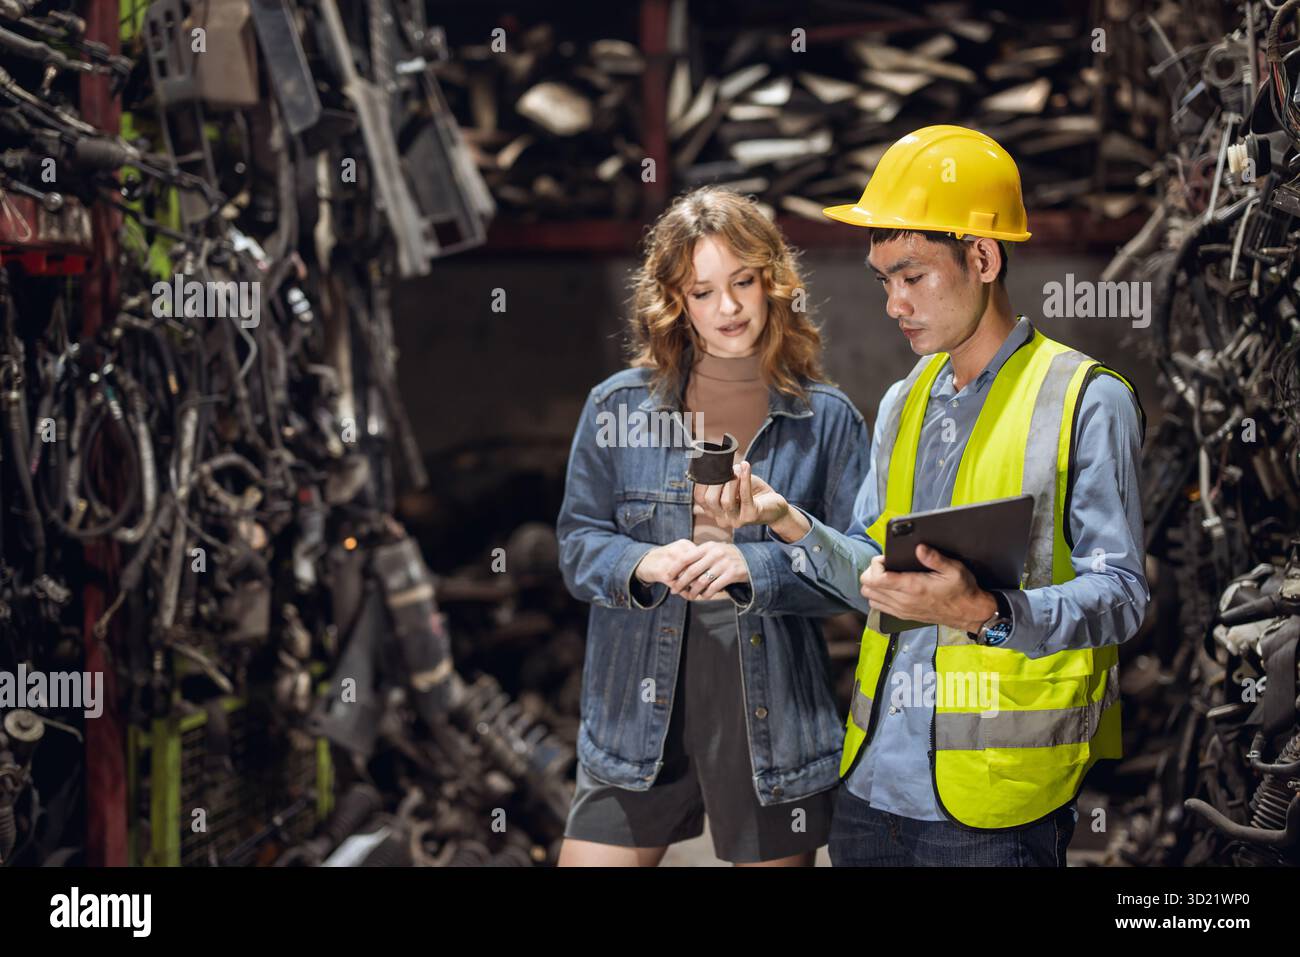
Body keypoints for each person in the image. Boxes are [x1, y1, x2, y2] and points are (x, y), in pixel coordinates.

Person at [693, 126, 1149, 866]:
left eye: (912, 275)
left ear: (982, 256)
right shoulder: (907, 399)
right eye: (883, 281)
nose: (893, 304)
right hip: (872, 790)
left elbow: (1122, 594)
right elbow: (874, 574)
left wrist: (987, 613)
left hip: (996, 806)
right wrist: (785, 519)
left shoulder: (1086, 400)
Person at [555, 187, 870, 866]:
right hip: (633, 715)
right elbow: (578, 545)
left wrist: (752, 568)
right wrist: (647, 564)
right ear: (676, 300)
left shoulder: (828, 420)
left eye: (743, 282)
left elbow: (861, 578)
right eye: (702, 291)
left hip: (774, 722)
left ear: (772, 282)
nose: (727, 308)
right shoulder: (616, 407)